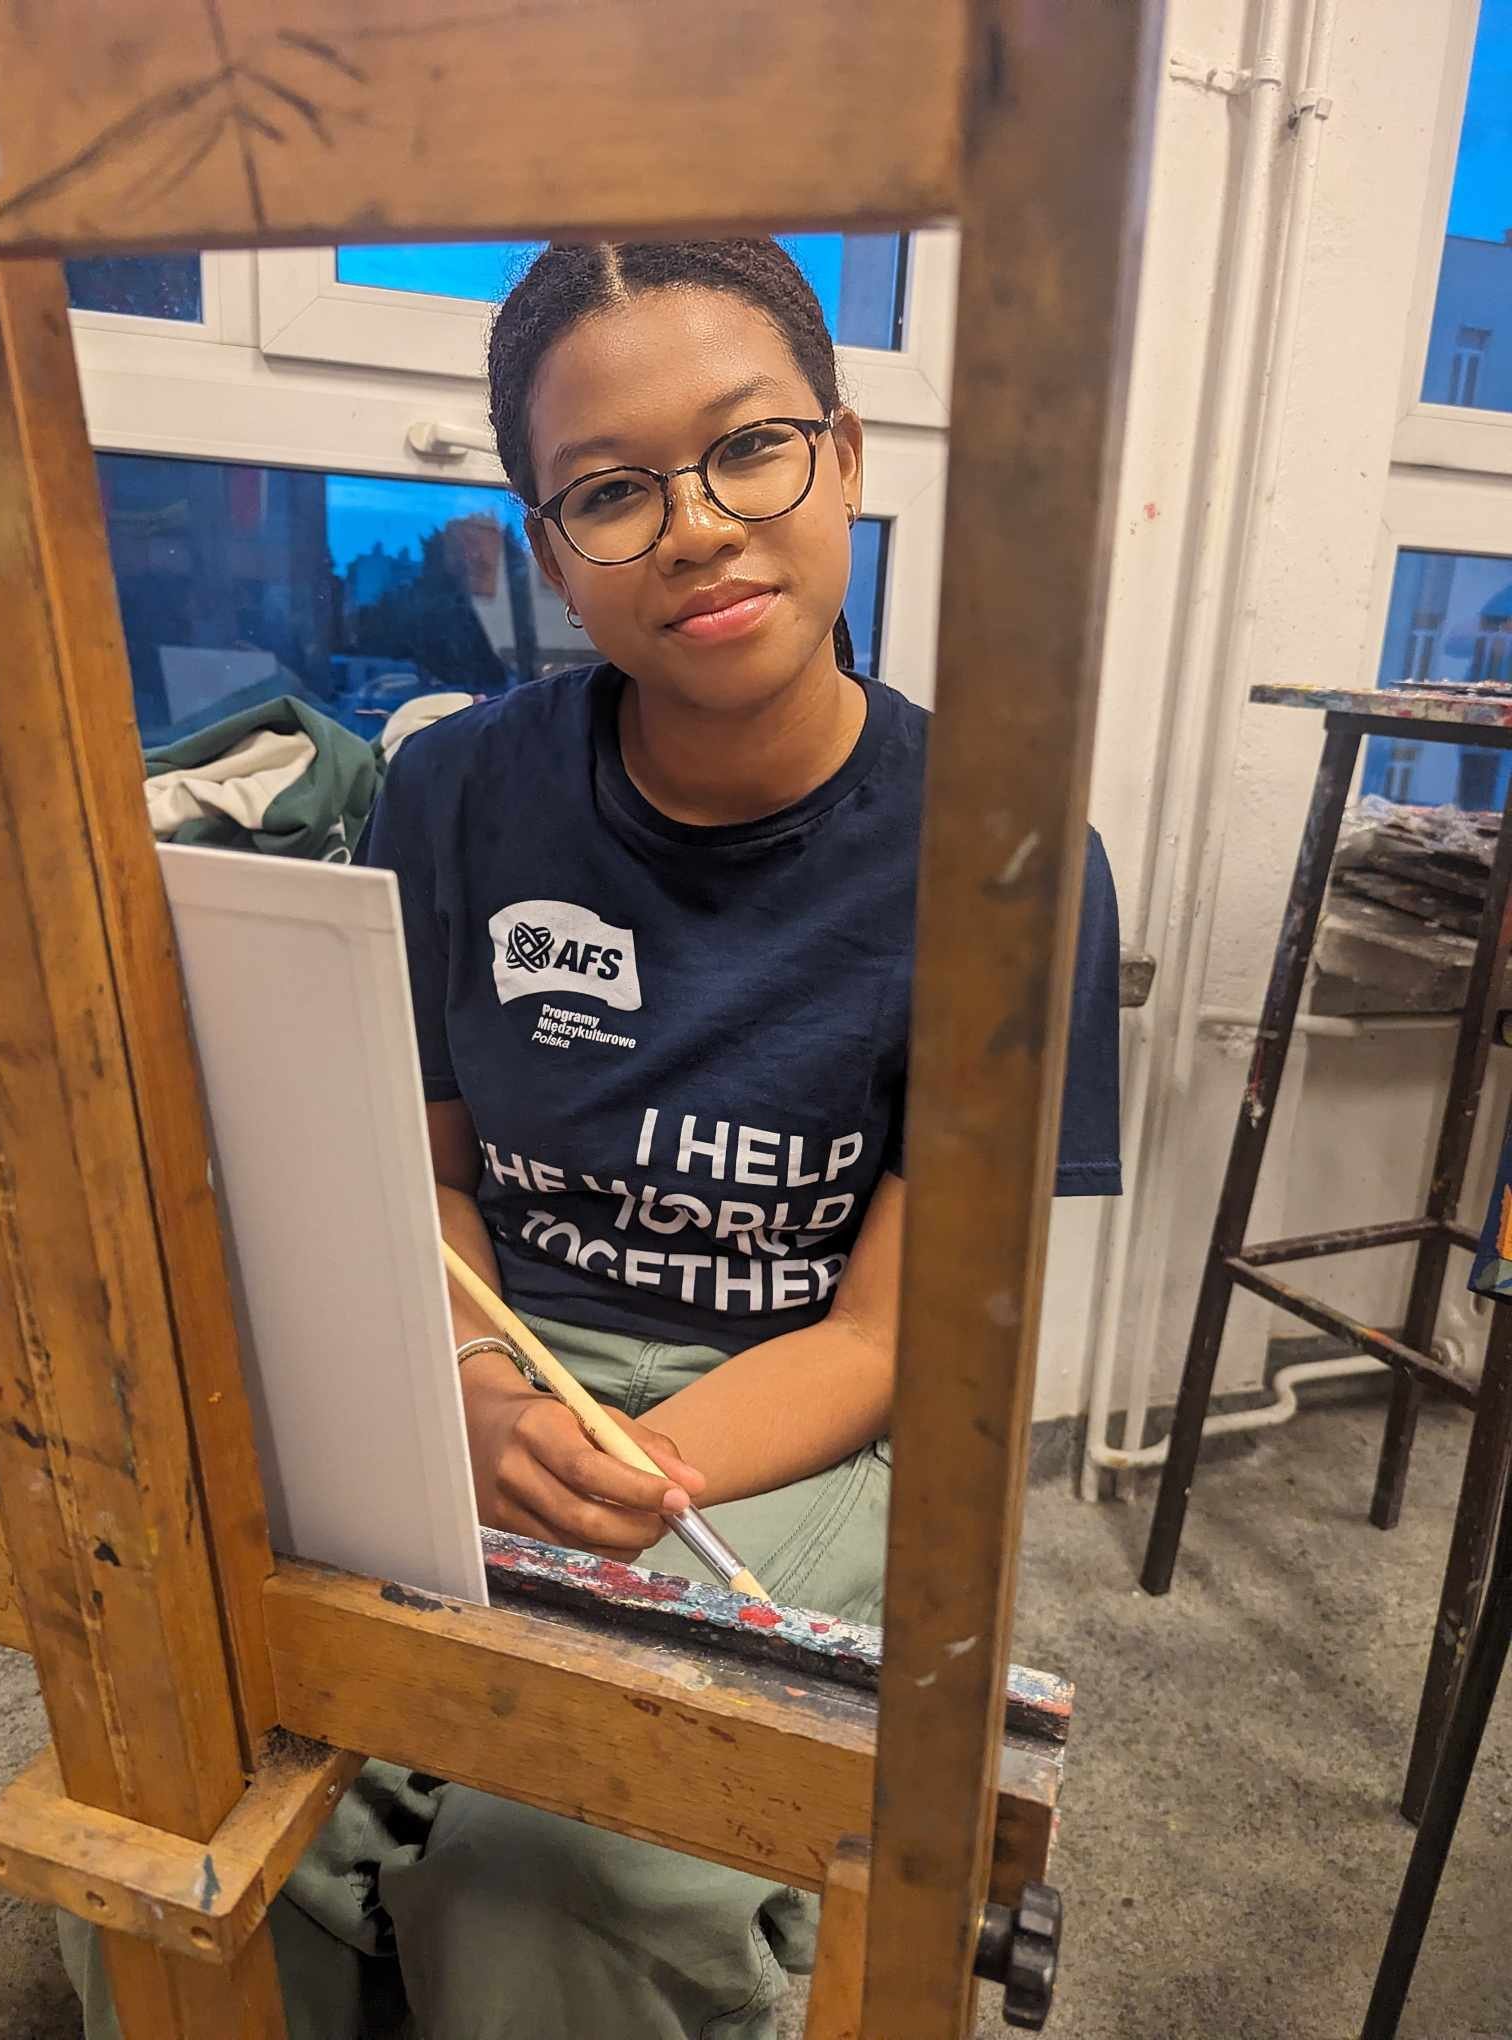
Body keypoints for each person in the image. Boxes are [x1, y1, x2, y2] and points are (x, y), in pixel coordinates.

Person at [61, 238, 1121, 2040]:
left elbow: (891, 1332)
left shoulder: (1009, 860)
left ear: (847, 458)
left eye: (751, 448)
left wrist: (645, 1467)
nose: (696, 527)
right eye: (611, 491)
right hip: (484, 1359)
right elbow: (426, 1180)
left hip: (789, 1411)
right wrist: (478, 1395)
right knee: (195, 1803)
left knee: (556, 1872)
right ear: (550, 553)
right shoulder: (455, 786)